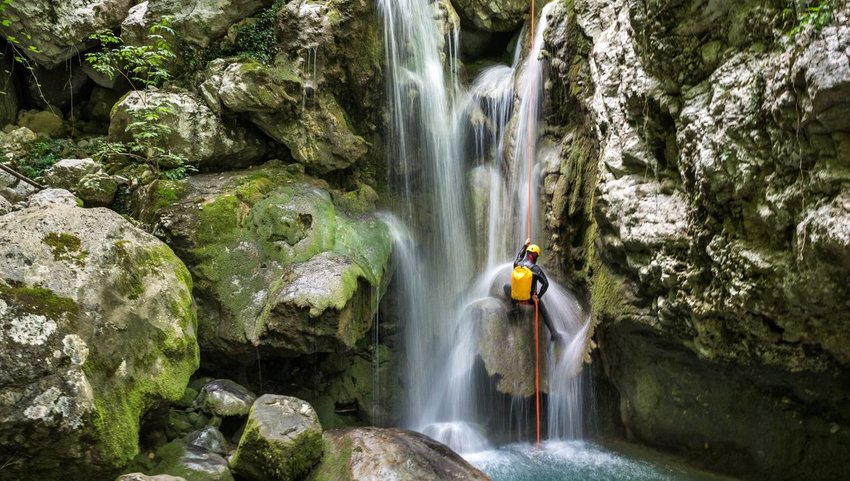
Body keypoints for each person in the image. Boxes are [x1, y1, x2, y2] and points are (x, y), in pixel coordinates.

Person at [504, 239, 561, 341]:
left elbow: (519, 256)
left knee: (506, 287)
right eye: (537, 256)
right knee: (542, 309)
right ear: (534, 256)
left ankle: (514, 308)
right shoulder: (535, 269)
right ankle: (553, 332)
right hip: (529, 298)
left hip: (515, 297)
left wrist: (525, 246)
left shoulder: (517, 263)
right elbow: (545, 283)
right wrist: (537, 297)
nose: (537, 258)